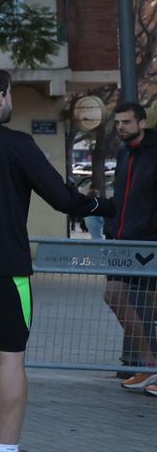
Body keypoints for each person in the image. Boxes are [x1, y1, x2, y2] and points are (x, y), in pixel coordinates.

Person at [0, 65, 112, 452]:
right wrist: (105, 207)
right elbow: (64, 200)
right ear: (1, 97)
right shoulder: (15, 143)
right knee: (10, 358)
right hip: (6, 271)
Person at [104, 101, 157, 390]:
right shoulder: (124, 153)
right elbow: (122, 198)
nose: (121, 127)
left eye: (126, 122)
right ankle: (149, 365)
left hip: (150, 243)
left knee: (150, 305)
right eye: (117, 123)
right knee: (114, 295)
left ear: (141, 122)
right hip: (123, 242)